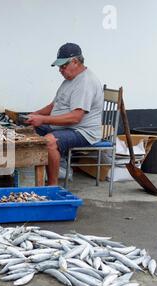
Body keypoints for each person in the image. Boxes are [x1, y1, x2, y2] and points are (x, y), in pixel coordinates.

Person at [26, 43, 104, 186]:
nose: (60, 70)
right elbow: (53, 106)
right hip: (65, 128)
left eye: (63, 66)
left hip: (83, 131)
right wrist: (33, 115)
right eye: (59, 67)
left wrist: (42, 119)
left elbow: (75, 118)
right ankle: (32, 177)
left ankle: (52, 186)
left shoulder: (85, 82)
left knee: (50, 141)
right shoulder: (69, 80)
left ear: (75, 62)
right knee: (28, 131)